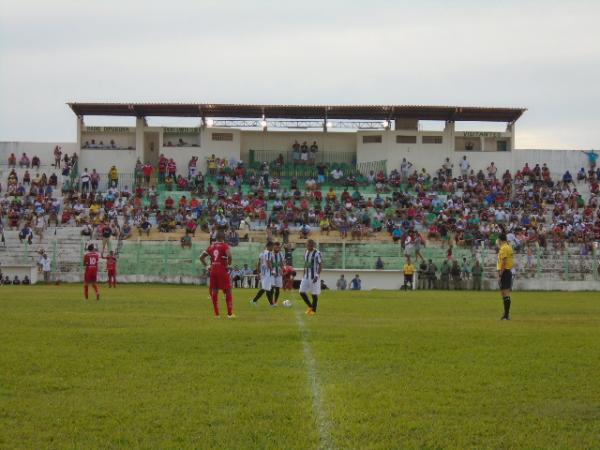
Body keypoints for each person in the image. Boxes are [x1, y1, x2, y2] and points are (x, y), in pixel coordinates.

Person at [200, 231, 235, 318]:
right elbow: (229, 256)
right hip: (222, 269)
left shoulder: (211, 246)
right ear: (223, 237)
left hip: (213, 270)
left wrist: (208, 266)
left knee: (214, 291)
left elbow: (201, 257)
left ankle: (217, 314)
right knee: (228, 290)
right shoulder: (224, 246)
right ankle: (230, 314)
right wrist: (229, 264)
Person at [299, 239, 322, 315]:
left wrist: (317, 275)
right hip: (306, 276)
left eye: (311, 245)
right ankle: (310, 306)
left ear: (313, 245)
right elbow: (306, 263)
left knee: (314, 294)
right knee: (301, 291)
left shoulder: (317, 253)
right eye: (308, 245)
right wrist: (303, 273)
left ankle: (313, 311)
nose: (309, 246)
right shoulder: (306, 252)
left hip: (314, 276)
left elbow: (320, 265)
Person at [251, 241, 275, 306]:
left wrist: (258, 273)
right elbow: (268, 262)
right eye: (272, 246)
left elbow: (258, 263)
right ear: (269, 246)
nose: (273, 248)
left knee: (268, 288)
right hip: (267, 273)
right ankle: (254, 301)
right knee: (265, 288)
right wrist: (272, 270)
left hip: (263, 273)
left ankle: (271, 304)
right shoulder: (269, 253)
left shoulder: (262, 253)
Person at [497, 233, 514, 320]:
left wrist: (500, 274)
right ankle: (505, 314)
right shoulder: (509, 247)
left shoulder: (503, 248)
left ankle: (506, 315)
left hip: (505, 271)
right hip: (508, 271)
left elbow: (503, 262)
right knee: (504, 293)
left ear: (500, 240)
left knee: (505, 293)